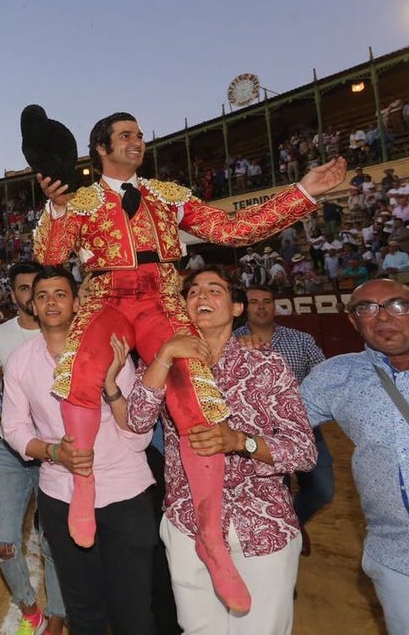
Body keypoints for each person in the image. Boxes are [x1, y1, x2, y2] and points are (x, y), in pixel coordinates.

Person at [34, 110, 344, 613]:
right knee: (84, 369)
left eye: (139, 134)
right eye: (127, 136)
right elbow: (51, 254)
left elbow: (236, 228)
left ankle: (210, 537)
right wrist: (56, 209)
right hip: (107, 297)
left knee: (194, 401)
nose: (139, 141)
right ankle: (84, 482)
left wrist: (302, 192)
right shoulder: (83, 200)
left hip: (160, 298)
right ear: (101, 149)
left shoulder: (168, 194)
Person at [126, 267, 316, 634]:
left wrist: (240, 442)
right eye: (193, 291)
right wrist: (164, 354)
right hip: (187, 522)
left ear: (237, 308)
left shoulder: (265, 364)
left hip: (263, 523)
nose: (201, 297)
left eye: (215, 291)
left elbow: (304, 451)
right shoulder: (161, 360)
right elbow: (136, 420)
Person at [3, 266, 158, 634]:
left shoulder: (112, 349)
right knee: (83, 609)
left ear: (75, 303)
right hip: (61, 493)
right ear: (32, 307)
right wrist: (55, 453)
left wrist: (110, 386)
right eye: (42, 296)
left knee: (133, 610)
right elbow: (14, 428)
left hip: (125, 492)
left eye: (60, 294)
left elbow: (139, 436)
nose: (51, 302)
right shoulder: (20, 362)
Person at [300, 280, 409, 634]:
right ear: (354, 321)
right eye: (366, 308)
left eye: (398, 306)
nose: (383, 317)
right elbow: (276, 426)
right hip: (404, 565)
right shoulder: (334, 376)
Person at [0, 259, 66, 635]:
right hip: (12, 452)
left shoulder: (63, 333)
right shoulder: (0, 337)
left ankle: (58, 616)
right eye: (24, 289)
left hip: (55, 456)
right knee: (5, 541)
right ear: (13, 295)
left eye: (37, 289)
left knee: (54, 540)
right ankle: (31, 609)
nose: (32, 296)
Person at [234, 285, 331, 553]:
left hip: (304, 427)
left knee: (323, 489)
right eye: (254, 302)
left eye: (267, 301)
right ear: (244, 307)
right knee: (278, 492)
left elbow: (323, 376)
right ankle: (286, 539)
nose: (262, 307)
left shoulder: (301, 339)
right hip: (258, 433)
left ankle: (294, 522)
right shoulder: (231, 341)